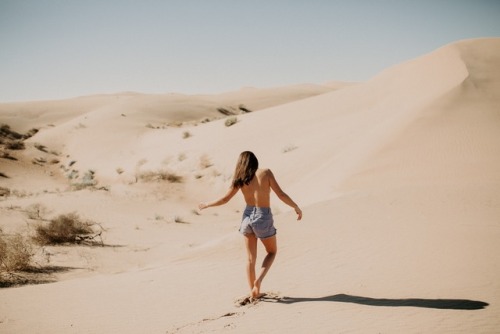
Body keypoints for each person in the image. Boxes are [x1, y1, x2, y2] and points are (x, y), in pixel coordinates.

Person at [198, 151, 302, 299]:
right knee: (272, 252)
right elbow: (281, 194)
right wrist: (295, 206)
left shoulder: (240, 179)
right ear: (255, 161)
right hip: (262, 216)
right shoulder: (265, 173)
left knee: (250, 259)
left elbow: (225, 199)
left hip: (246, 217)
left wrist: (207, 204)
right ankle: (258, 282)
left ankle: (254, 292)